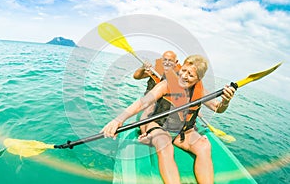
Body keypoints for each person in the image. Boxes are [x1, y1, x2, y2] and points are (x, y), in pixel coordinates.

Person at [101, 55, 236, 184]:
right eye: (184, 70)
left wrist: (225, 102)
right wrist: (118, 120)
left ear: (198, 78)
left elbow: (217, 108)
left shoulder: (200, 90)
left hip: (183, 133)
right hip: (159, 126)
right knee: (165, 145)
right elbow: (143, 103)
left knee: (204, 146)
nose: (184, 76)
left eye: (190, 75)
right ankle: (150, 138)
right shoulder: (166, 84)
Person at [133, 50, 180, 134]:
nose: (167, 62)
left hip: (165, 103)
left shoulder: (179, 75)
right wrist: (142, 68)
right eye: (165, 60)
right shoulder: (154, 70)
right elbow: (136, 76)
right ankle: (144, 133)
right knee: (150, 107)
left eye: (170, 60)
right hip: (151, 99)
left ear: (176, 62)